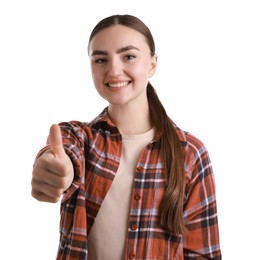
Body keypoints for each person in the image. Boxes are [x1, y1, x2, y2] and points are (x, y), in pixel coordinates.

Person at [31, 14, 222, 259]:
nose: (114, 70)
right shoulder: (79, 137)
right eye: (101, 59)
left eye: (128, 56)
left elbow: (203, 253)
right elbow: (63, 153)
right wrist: (57, 171)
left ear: (152, 64)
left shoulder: (190, 152)